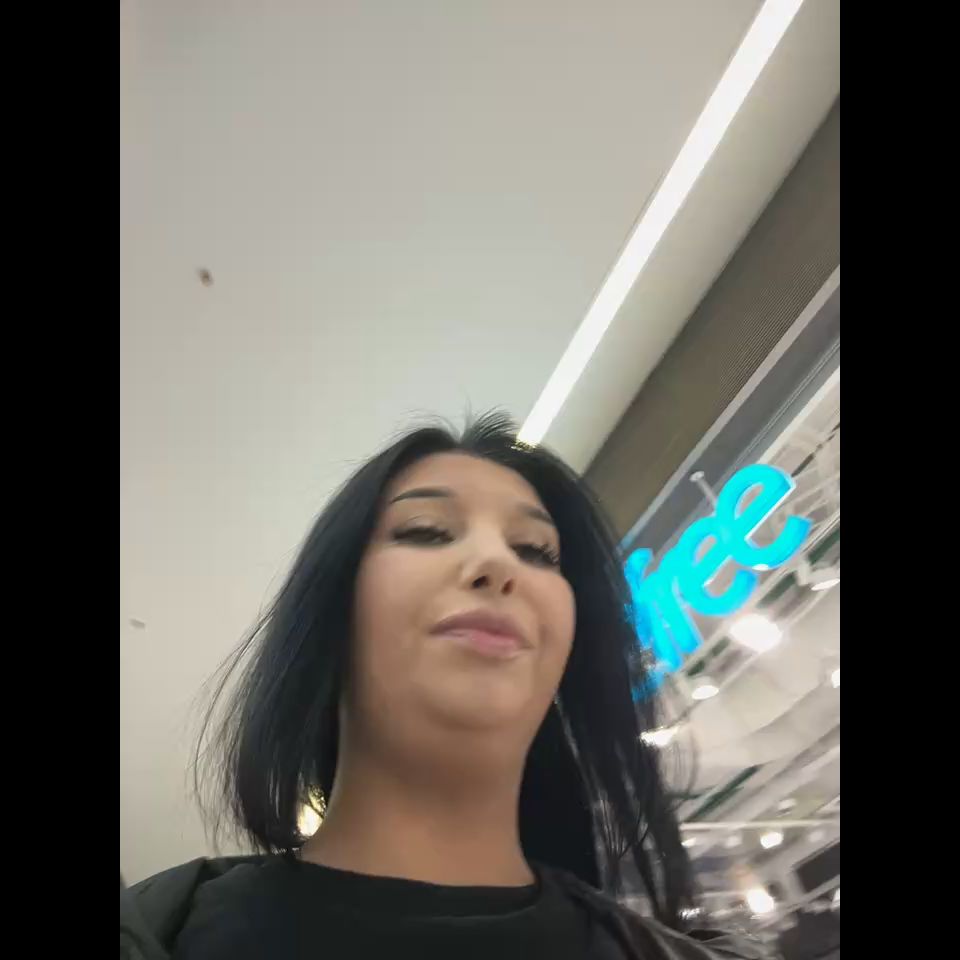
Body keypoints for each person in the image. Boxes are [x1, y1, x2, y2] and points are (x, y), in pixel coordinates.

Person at [120, 412, 766, 960]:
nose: (495, 563)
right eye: (425, 532)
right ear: (328, 610)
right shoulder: (159, 932)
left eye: (536, 551)